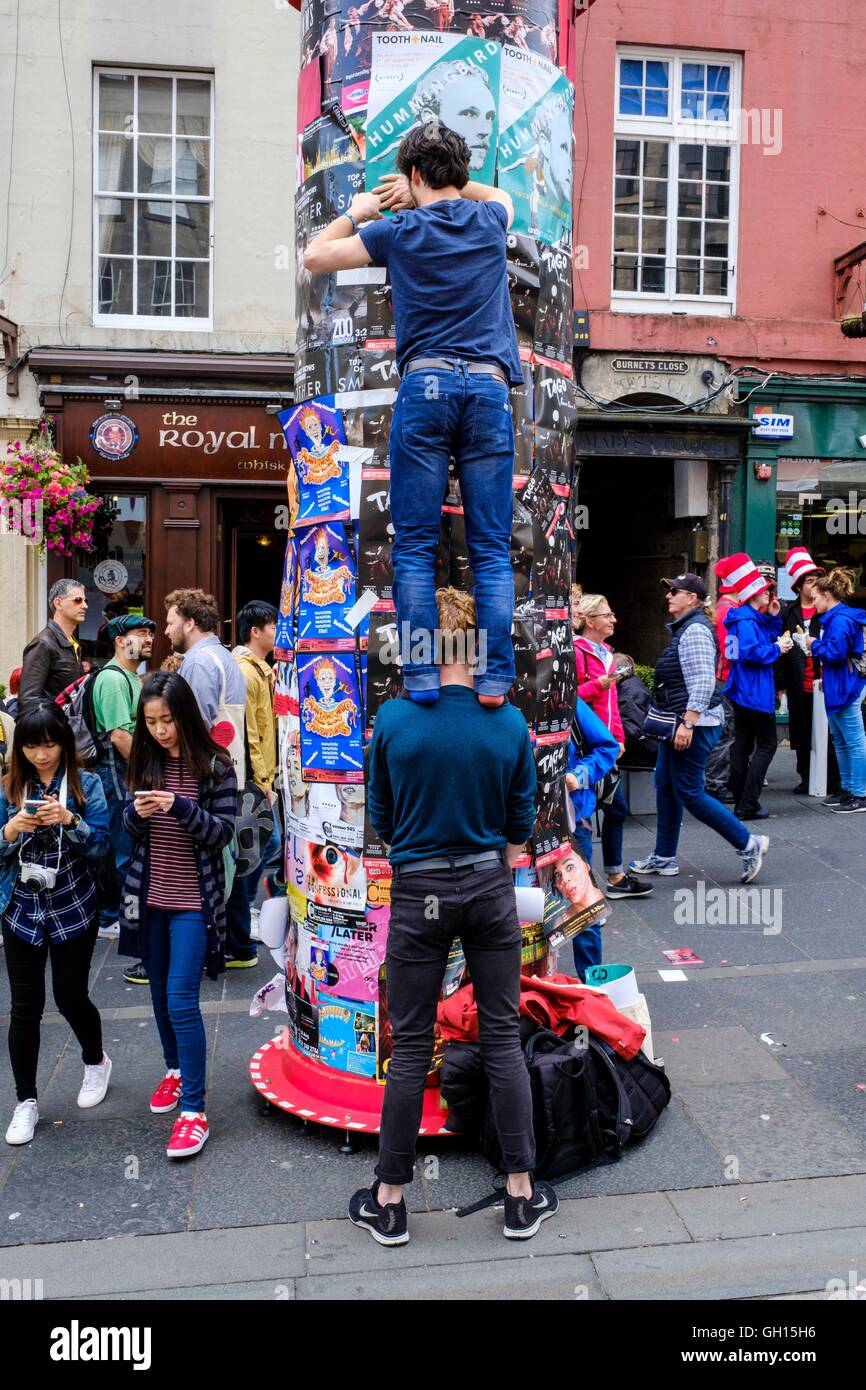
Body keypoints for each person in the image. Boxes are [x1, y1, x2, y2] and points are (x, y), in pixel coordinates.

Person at [351, 587, 556, 1245]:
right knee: (500, 1035)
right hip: (489, 883)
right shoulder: (509, 723)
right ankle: (521, 1194)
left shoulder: (395, 719)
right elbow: (523, 820)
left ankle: (390, 1200)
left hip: (419, 888)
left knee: (409, 1043)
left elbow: (379, 815)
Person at [303, 122, 523, 707]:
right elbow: (497, 195)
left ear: (415, 176)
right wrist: (439, 185)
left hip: (425, 386)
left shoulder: (396, 229)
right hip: (489, 388)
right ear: (460, 171)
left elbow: (315, 255)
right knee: (491, 549)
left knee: (416, 546)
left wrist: (362, 207)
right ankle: (496, 679)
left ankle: (423, 678)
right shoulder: (489, 218)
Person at [121, 672, 237, 1158]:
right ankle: (174, 1069)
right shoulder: (146, 761)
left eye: (167, 720)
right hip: (149, 900)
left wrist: (181, 807)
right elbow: (128, 831)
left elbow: (224, 832)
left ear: (184, 715)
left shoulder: (215, 765)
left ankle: (194, 1110)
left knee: (182, 1000)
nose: (160, 730)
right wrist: (140, 813)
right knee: (160, 999)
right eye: (150, 722)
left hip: (194, 902)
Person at [0, 705, 110, 1145]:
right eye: (31, 745)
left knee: (70, 996)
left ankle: (95, 1061)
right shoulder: (9, 787)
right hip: (21, 907)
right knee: (24, 1007)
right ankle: (25, 1100)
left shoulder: (88, 785)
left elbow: (102, 847)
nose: (41, 755)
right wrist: (9, 832)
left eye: (49, 744)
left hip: (71, 905)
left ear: (64, 742)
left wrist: (71, 820)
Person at [629, 574, 770, 885]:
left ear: (692, 598)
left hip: (693, 723)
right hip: (680, 721)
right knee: (666, 784)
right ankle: (664, 856)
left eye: (675, 592)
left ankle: (749, 844)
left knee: (690, 792)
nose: (668, 596)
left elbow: (705, 682)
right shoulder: (687, 628)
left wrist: (688, 723)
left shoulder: (693, 631)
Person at [164, 589, 254, 967]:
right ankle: (239, 944)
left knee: (208, 859)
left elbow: (191, 725)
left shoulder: (200, 662)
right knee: (225, 855)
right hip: (226, 769)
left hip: (204, 773)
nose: (166, 629)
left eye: (170, 621)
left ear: (189, 622)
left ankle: (206, 947)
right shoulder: (224, 655)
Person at [573, 593, 651, 901]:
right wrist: (597, 686)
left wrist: (618, 738)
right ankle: (601, 881)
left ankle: (607, 877)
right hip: (585, 746)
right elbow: (571, 697)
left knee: (610, 808)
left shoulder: (606, 652)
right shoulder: (577, 652)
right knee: (591, 812)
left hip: (604, 744)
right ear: (591, 621)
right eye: (607, 615)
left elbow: (612, 706)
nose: (613, 619)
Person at [90, 614, 155, 941]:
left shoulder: (131, 678)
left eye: (150, 634)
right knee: (121, 845)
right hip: (117, 770)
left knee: (126, 843)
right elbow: (119, 735)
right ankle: (112, 918)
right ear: (119, 641)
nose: (148, 639)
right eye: (141, 633)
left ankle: (119, 915)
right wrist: (146, 774)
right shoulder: (114, 679)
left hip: (125, 770)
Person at [719, 555, 791, 820]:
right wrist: (777, 648)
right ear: (755, 593)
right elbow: (753, 652)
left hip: (742, 689)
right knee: (767, 744)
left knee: (743, 745)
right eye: (765, 590)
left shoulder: (741, 618)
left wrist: (772, 619)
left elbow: (751, 645)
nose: (769, 593)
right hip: (755, 691)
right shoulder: (747, 621)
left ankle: (742, 801)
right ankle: (748, 802)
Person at [231, 601, 281, 943]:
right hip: (252, 777)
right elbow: (249, 731)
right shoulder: (246, 672)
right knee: (263, 843)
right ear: (255, 632)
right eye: (273, 627)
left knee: (266, 842)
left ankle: (246, 905)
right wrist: (261, 781)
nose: (277, 634)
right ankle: (245, 906)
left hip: (264, 774)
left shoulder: (262, 669)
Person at [564, 696, 620, 978]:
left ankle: (592, 986)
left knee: (583, 906)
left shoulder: (568, 701)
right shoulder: (496, 699)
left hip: (573, 821)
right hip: (519, 828)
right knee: (522, 911)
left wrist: (579, 774)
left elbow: (608, 746)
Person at [803, 568, 866, 813]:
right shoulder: (838, 619)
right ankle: (849, 790)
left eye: (815, 597)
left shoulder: (838, 621)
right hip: (842, 685)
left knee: (853, 741)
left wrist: (813, 644)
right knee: (842, 741)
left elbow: (835, 654)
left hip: (846, 685)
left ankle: (860, 794)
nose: (813, 602)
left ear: (827, 596)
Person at [779, 547, 840, 796]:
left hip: (823, 680)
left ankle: (832, 778)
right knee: (802, 733)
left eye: (816, 580)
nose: (814, 586)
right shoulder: (787, 612)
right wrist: (780, 685)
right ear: (799, 585)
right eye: (810, 581)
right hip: (797, 682)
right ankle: (806, 776)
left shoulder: (825, 610)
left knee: (828, 733)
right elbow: (781, 650)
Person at [19, 579, 87, 714]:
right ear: (58, 603)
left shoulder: (73, 643)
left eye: (86, 601)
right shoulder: (43, 643)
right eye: (78, 600)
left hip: (69, 728)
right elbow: (28, 700)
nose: (85, 606)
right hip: (52, 730)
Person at [704, 559, 738, 801]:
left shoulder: (726, 607)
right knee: (725, 732)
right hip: (724, 678)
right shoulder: (727, 609)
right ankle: (715, 783)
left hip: (726, 677)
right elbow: (729, 649)